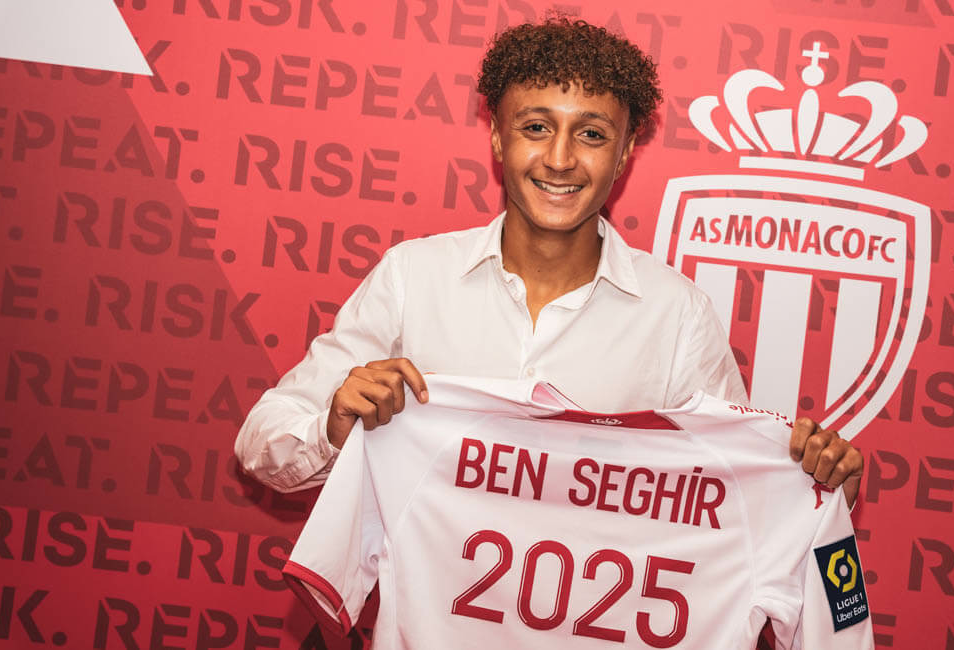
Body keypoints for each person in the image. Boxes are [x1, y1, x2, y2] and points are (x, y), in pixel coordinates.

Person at [234, 16, 863, 505]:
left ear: (624, 154)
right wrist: (334, 426)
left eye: (591, 134)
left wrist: (817, 483)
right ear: (497, 136)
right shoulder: (411, 278)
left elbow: (736, 495)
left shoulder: (677, 314)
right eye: (536, 127)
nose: (560, 160)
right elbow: (262, 442)